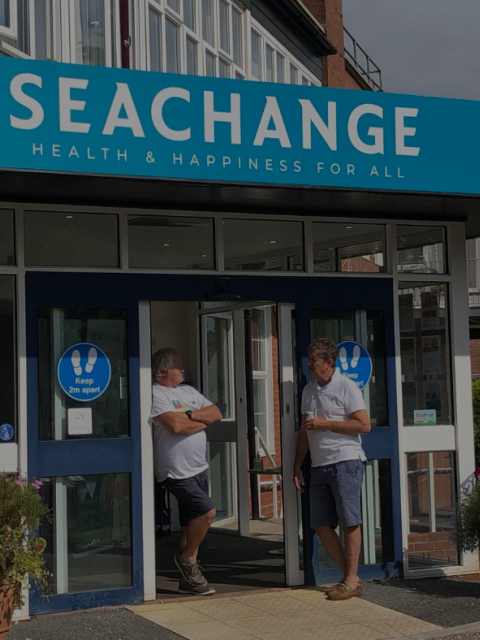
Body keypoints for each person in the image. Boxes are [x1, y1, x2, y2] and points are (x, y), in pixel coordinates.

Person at [293, 338, 371, 601]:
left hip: (346, 462)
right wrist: (297, 465)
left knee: (349, 521)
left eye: (314, 359)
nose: (309, 363)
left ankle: (350, 580)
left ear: (329, 362)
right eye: (309, 359)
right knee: (320, 524)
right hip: (318, 466)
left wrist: (326, 424)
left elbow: (364, 425)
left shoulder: (347, 387)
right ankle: (351, 578)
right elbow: (304, 431)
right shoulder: (308, 390)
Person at [150, 347, 222, 596]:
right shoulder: (155, 393)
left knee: (189, 527)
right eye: (178, 367)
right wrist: (201, 422)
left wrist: (189, 414)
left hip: (199, 467)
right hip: (175, 471)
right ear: (163, 370)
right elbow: (176, 426)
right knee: (207, 512)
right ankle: (188, 561)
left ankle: (187, 581)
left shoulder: (188, 391)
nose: (182, 370)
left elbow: (216, 413)